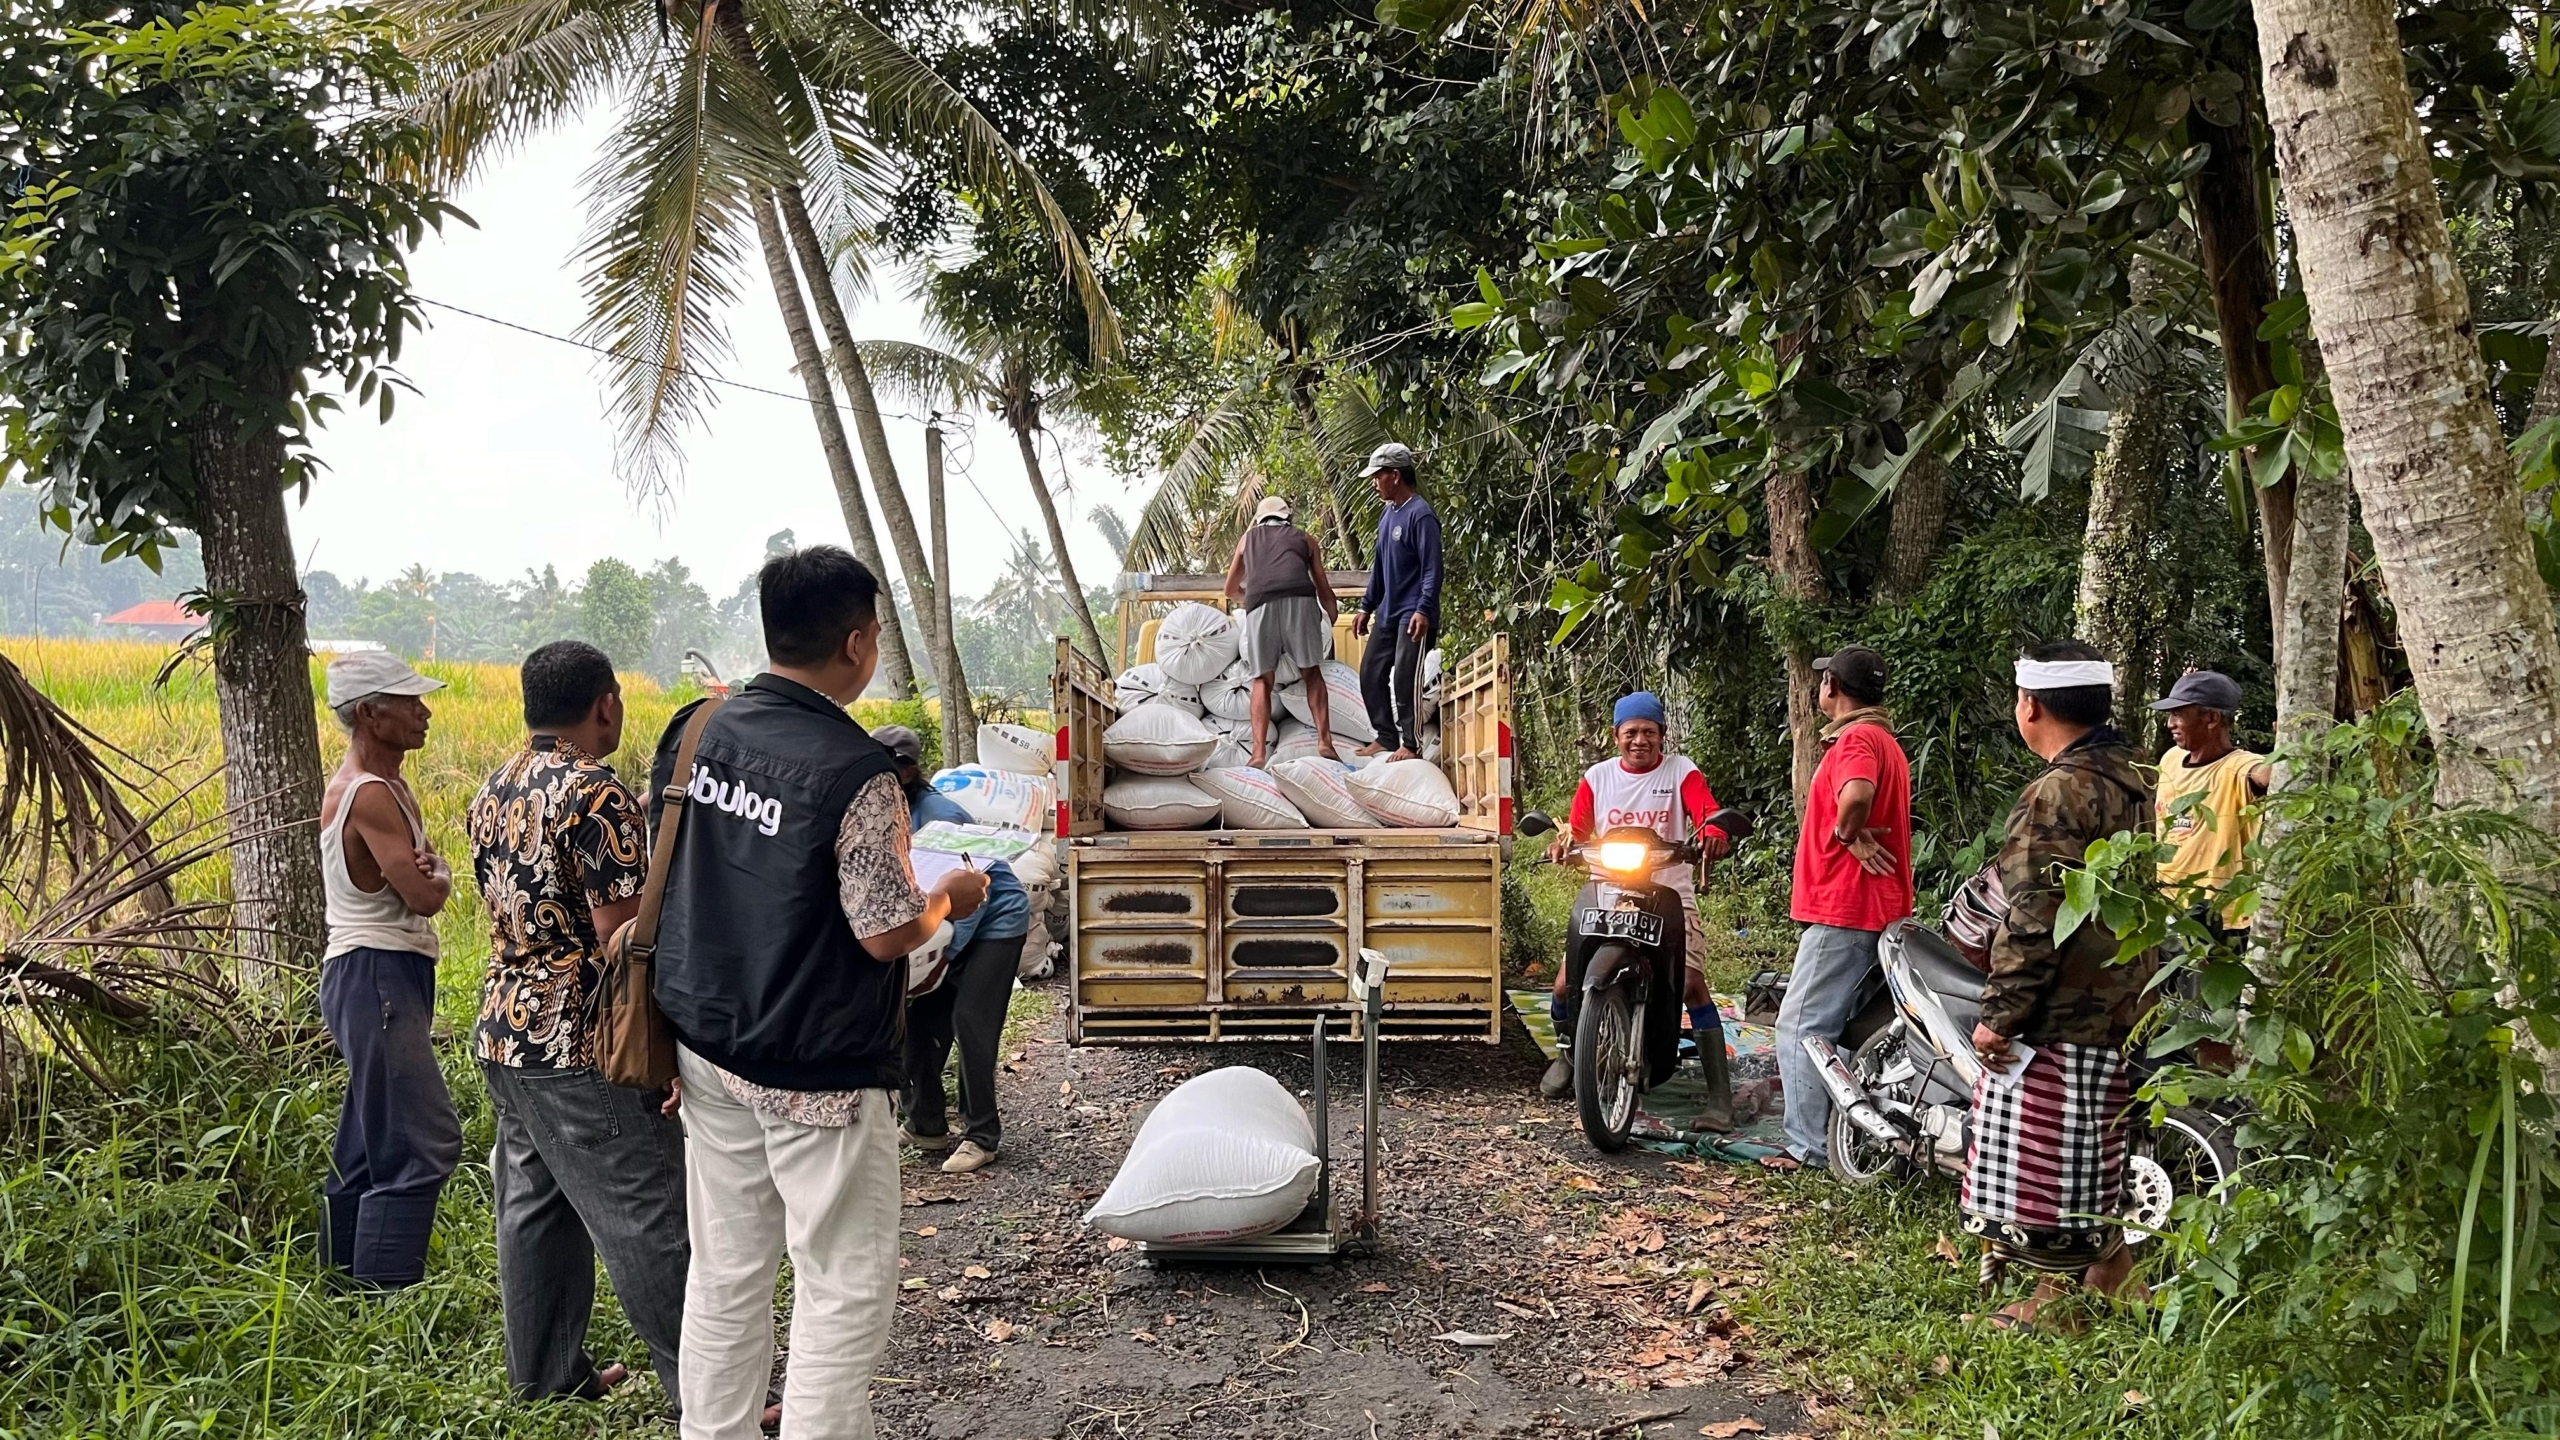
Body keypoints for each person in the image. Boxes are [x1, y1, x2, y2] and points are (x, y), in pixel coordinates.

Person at [649, 545, 988, 1440]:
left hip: (709, 1045)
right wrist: (948, 900)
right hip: (814, 1068)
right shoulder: (855, 772)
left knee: (727, 1270)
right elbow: (885, 933)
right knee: (840, 1283)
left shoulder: (696, 732)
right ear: (858, 641)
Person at [465, 640, 688, 1406]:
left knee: (533, 1206)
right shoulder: (597, 794)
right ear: (606, 704)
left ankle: (546, 1376)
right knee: (645, 1211)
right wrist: (663, 1052)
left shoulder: (493, 788)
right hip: (579, 1037)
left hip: (505, 1027)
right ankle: (710, 1388)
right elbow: (623, 940)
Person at [1964, 641, 2157, 1329]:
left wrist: (2001, 1013)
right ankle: (2116, 1277)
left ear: (2031, 706)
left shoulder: (2055, 793)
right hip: (2128, 994)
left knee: (2048, 1155)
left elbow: (2034, 915)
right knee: (2097, 1142)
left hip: (2064, 1007)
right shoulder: (2134, 776)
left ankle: (2056, 1302)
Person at [316, 649, 463, 1290]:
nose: (424, 713)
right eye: (409, 703)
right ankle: (386, 1300)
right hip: (375, 974)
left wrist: (428, 871)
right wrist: (444, 873)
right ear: (371, 715)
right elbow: (425, 894)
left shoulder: (388, 786)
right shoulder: (370, 794)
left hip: (378, 975)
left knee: (366, 1141)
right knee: (422, 1143)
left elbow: (415, 878)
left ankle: (341, 1287)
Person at [1541, 692, 1735, 1125]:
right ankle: (1569, 1055)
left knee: (1691, 985)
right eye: (1631, 732)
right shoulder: (1597, 776)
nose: (1640, 740)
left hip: (1669, 892)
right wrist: (1562, 843)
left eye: (1649, 732)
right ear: (1616, 737)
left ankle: (1720, 1098)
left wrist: (1716, 830)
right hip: (1608, 889)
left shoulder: (1681, 771)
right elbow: (1576, 828)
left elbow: (1707, 811)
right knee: (1560, 986)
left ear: (1662, 735)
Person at [1769, 646, 1913, 1173]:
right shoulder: (1885, 739)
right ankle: (1843, 1130)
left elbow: (1855, 795)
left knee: (1801, 1024)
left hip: (1845, 907)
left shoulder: (1856, 739)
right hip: (1873, 907)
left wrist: (1844, 832)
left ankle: (1806, 1146)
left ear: (1830, 687)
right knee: (1848, 1027)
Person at [873, 725, 1031, 1176]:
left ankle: (982, 1135)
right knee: (918, 1024)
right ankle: (925, 1124)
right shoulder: (885, 811)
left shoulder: (941, 815)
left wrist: (941, 959)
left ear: (906, 772)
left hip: (992, 922)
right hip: (944, 927)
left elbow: (972, 893)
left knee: (971, 1023)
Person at [2148, 669, 2270, 938]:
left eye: (2179, 714)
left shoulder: (2238, 766)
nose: (2170, 724)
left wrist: (2291, 742)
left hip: (2220, 921)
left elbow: (2265, 776)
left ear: (2212, 718)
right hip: (2166, 913)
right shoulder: (2170, 759)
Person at [1222, 495, 1340, 765]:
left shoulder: (1246, 540)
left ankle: (1258, 753)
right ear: (1288, 517)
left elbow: (1229, 590)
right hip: (1301, 601)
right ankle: (1324, 741)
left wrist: (1250, 597)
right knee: (1311, 672)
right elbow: (1322, 585)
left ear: (1260, 519)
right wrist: (1329, 618)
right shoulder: (1306, 539)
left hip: (1259, 605)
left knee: (1263, 680)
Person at [1351, 441, 1442, 762]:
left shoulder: (1421, 515)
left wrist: (1424, 609)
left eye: (1378, 476)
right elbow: (1379, 567)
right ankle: (1386, 736)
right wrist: (1366, 606)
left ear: (1395, 475)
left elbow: (1433, 568)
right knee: (1370, 673)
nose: (1374, 483)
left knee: (1405, 677)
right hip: (1388, 612)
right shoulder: (1387, 515)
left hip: (1413, 614)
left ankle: (1411, 744)